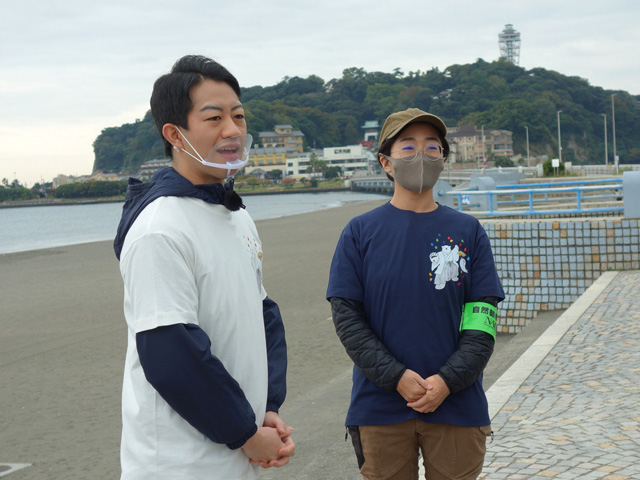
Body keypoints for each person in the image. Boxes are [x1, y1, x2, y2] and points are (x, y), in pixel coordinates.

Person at [113, 55, 295, 480]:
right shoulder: (160, 227)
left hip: (237, 452)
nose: (232, 130)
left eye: (238, 115)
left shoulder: (235, 214)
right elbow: (170, 353)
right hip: (179, 464)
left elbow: (262, 314)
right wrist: (245, 434)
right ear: (175, 133)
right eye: (213, 118)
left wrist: (268, 407)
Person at [326, 108, 504, 479]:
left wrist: (446, 381)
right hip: (379, 407)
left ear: (443, 159)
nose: (420, 156)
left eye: (432, 148)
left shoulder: (468, 231)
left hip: (458, 405)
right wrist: (396, 377)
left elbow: (482, 318)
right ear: (386, 163)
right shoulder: (359, 232)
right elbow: (347, 319)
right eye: (407, 147)